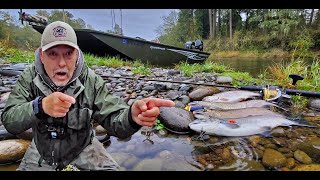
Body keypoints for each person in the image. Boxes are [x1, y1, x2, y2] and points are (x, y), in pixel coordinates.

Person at [1, 21, 175, 171]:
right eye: (53, 54)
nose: (61, 63)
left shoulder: (91, 80)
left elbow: (115, 119)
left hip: (84, 148)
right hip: (42, 150)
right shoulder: (29, 77)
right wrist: (40, 106)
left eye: (68, 53)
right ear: (41, 55)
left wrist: (131, 116)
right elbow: (9, 119)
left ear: (77, 54)